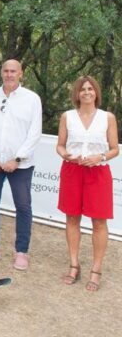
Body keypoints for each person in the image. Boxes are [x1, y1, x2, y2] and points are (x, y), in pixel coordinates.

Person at [0, 59, 42, 271]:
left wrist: (17, 159)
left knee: (23, 207)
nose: (9, 74)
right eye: (6, 70)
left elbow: (34, 133)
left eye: (13, 71)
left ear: (21, 73)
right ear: (1, 72)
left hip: (20, 165)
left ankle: (21, 251)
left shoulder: (32, 99)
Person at [56, 76, 118, 291]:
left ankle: (96, 269)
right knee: (72, 218)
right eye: (82, 89)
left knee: (99, 222)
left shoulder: (107, 117)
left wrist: (100, 157)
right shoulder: (67, 116)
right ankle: (74, 265)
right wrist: (65, 154)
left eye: (90, 89)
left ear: (96, 92)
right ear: (77, 93)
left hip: (98, 172)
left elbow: (114, 149)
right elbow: (60, 145)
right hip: (72, 171)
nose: (87, 92)